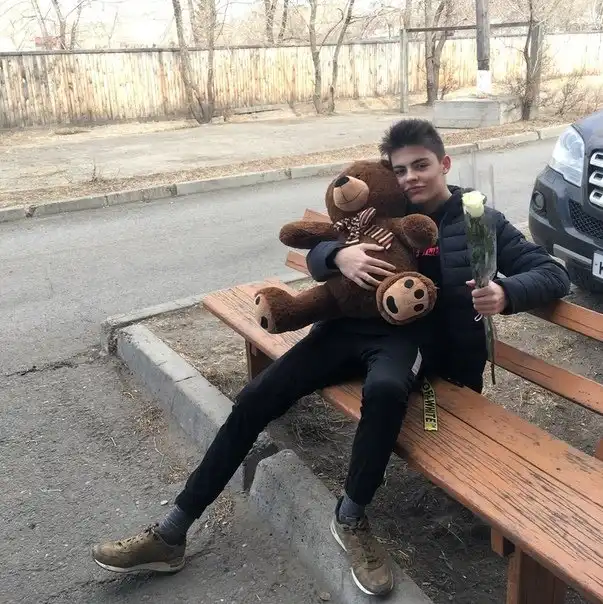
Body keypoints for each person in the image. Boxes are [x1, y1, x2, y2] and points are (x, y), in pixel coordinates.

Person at [91, 119, 570, 597]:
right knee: (256, 396)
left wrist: (506, 293)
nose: (410, 178)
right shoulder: (383, 202)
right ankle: (172, 532)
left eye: (421, 165)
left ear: (444, 164)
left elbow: (551, 273)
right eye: (400, 170)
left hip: (409, 344)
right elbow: (320, 242)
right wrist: (338, 257)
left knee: (385, 391)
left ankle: (351, 516)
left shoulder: (478, 220)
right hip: (343, 330)